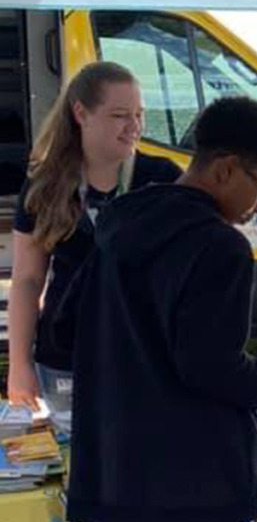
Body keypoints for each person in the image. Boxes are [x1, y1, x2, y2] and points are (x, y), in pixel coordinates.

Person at [54, 97, 257, 522]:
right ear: (226, 168)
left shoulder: (118, 222)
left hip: (108, 479)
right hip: (197, 486)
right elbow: (213, 368)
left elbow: (63, 332)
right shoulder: (219, 246)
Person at [7, 61, 181, 432]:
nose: (133, 126)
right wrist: (19, 364)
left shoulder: (163, 178)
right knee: (79, 465)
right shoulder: (45, 186)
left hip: (143, 353)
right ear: (81, 114)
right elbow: (27, 280)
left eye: (138, 114)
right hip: (65, 356)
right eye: (119, 115)